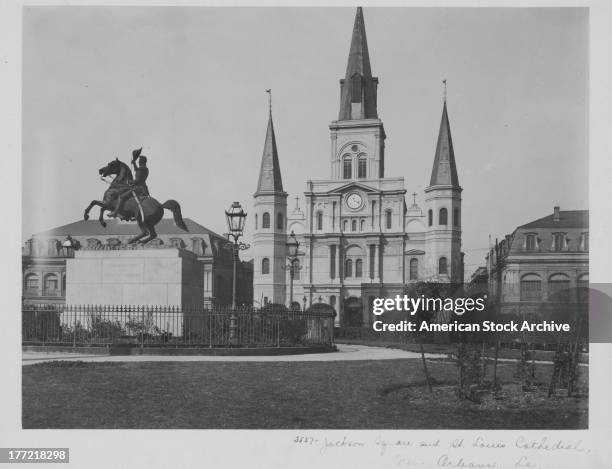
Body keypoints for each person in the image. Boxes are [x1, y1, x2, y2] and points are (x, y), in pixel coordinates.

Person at [110, 148, 150, 218]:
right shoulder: (145, 168)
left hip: (138, 188)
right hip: (143, 188)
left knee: (122, 196)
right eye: (139, 161)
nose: (139, 162)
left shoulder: (142, 169)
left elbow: (137, 181)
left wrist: (130, 181)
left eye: (140, 161)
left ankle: (116, 213)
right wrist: (134, 163)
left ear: (143, 161)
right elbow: (137, 170)